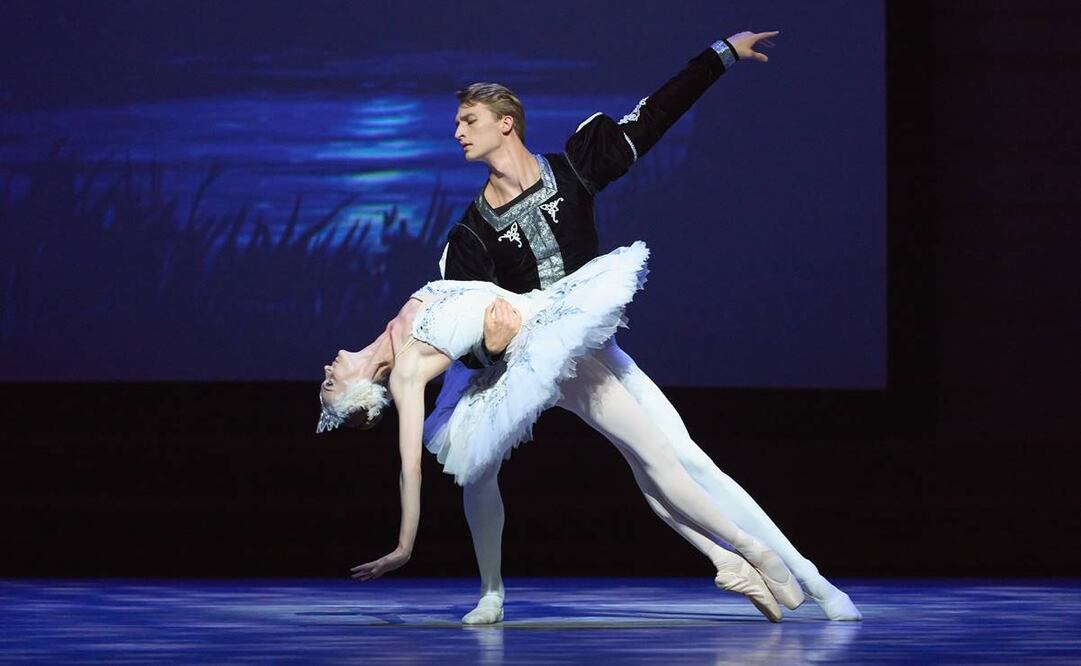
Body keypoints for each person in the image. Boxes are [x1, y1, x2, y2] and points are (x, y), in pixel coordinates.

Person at [430, 29, 862, 623]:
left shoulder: (575, 168)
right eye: (457, 122)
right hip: (520, 362)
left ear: (506, 122)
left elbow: (653, 118)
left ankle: (807, 578)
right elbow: (457, 322)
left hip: (585, 354)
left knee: (677, 461)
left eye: (468, 119)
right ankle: (491, 591)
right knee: (476, 467)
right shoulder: (472, 233)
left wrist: (721, 56)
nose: (457, 132)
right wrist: (486, 347)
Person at [318, 241, 801, 622]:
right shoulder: (404, 374)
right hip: (531, 355)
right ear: (358, 393)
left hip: (540, 323)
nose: (326, 370)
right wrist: (405, 546)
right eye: (329, 386)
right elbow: (410, 466)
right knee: (482, 472)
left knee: (650, 457)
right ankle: (750, 550)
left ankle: (729, 560)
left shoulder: (397, 327)